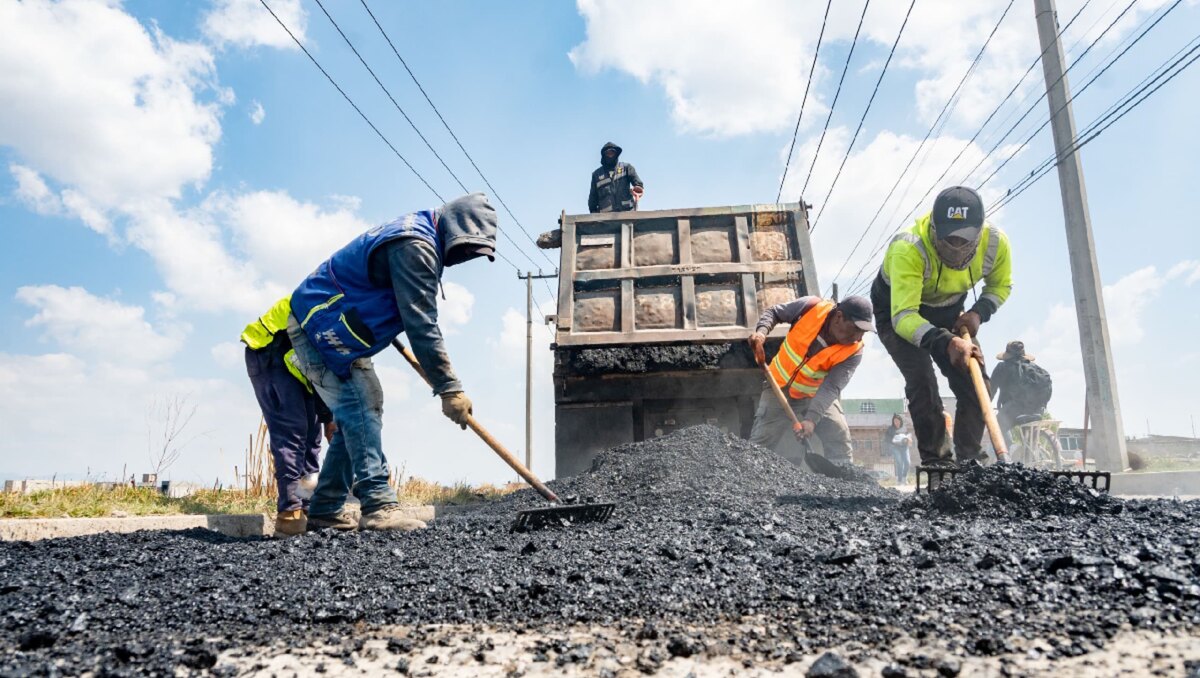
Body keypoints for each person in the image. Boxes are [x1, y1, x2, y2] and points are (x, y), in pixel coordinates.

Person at [287, 193, 498, 532]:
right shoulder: (415, 246)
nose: (466, 257)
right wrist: (449, 387)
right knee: (361, 406)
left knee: (358, 413)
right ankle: (378, 505)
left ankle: (325, 507)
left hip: (334, 324)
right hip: (319, 325)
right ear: (456, 228)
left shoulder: (418, 233)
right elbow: (422, 324)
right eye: (468, 248)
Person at [870, 186, 1012, 467]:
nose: (956, 246)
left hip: (949, 311)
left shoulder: (995, 243)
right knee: (922, 381)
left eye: (964, 239)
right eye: (949, 239)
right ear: (934, 228)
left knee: (976, 382)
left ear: (979, 232)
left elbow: (1000, 286)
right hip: (898, 311)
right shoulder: (908, 248)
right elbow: (904, 317)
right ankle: (938, 462)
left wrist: (977, 313)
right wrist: (946, 342)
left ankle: (971, 461)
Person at [240, 297, 335, 536]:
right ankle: (289, 513)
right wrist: (330, 417)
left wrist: (327, 418)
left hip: (299, 360)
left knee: (312, 439)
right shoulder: (331, 308)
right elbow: (328, 365)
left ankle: (307, 506)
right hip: (271, 346)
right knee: (292, 433)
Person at [747, 295, 874, 463]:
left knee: (838, 434)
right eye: (856, 329)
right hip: (778, 388)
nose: (859, 337)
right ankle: (749, 471)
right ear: (839, 317)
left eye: (864, 332)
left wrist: (811, 419)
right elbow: (774, 312)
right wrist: (761, 333)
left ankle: (844, 475)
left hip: (815, 394)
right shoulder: (811, 307)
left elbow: (831, 387)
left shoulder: (854, 351)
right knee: (760, 444)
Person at [991, 340, 1053, 447]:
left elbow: (990, 391)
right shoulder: (1034, 368)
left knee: (996, 429)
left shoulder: (1002, 367)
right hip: (1037, 410)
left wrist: (983, 409)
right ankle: (1033, 451)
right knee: (1030, 442)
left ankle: (1007, 452)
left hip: (1013, 411)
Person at [588, 142, 644, 213]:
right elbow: (593, 198)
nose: (610, 155)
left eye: (612, 153)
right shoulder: (596, 175)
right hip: (606, 216)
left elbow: (638, 184)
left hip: (627, 213)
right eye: (608, 153)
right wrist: (593, 214)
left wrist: (638, 187)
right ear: (604, 155)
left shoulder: (627, 168)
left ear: (616, 154)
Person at [885, 414, 911, 484]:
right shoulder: (890, 429)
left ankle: (904, 477)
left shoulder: (904, 428)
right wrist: (893, 440)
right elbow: (887, 439)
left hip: (904, 447)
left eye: (897, 421)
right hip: (895, 447)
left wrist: (908, 439)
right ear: (893, 422)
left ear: (900, 421)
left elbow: (908, 436)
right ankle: (899, 480)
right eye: (895, 421)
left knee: (907, 462)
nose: (896, 422)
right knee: (899, 462)